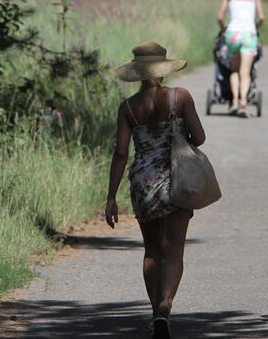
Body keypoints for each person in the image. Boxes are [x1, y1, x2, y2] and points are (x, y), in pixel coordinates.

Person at [106, 41, 206, 339]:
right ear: (163, 69)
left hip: (143, 183)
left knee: (151, 250)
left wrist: (111, 197)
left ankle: (154, 312)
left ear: (137, 73)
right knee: (174, 248)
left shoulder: (127, 108)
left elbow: (121, 153)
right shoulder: (181, 98)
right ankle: (165, 308)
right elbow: (199, 137)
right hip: (177, 180)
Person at [216, 0, 265, 118]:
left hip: (233, 35)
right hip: (249, 35)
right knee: (246, 72)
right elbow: (262, 17)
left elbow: (220, 17)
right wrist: (255, 28)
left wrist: (223, 29)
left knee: (234, 71)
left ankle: (235, 102)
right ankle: (244, 103)